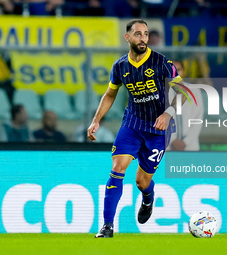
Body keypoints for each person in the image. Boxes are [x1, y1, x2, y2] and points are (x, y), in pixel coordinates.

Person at [87, 19, 186, 238]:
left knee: (142, 181)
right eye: (138, 34)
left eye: (146, 34)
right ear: (128, 37)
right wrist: (96, 120)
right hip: (132, 123)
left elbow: (184, 92)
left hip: (159, 128)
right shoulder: (120, 66)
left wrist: (168, 113)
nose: (143, 39)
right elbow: (110, 94)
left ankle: (148, 198)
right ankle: (107, 226)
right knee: (118, 167)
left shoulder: (161, 63)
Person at [167, 60, 204, 151]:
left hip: (190, 147)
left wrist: (186, 142)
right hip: (167, 147)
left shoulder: (194, 91)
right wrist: (171, 141)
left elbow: (198, 119)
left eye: (178, 70)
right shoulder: (160, 91)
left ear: (183, 72)